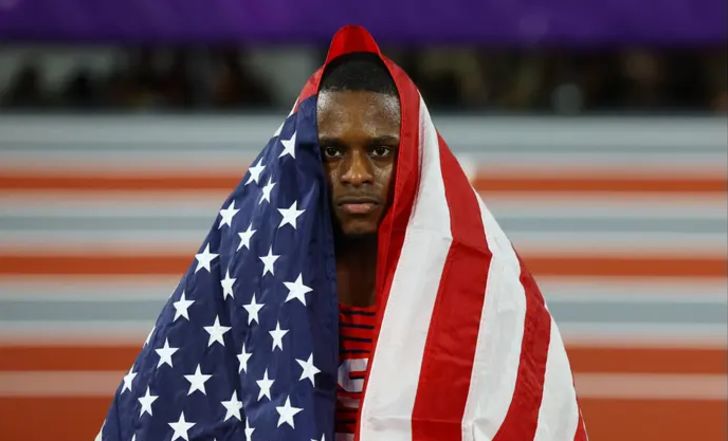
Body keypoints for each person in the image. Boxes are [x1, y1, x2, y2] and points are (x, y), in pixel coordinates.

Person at [97, 25, 587, 441]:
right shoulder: (248, 278)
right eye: (333, 151)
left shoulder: (487, 290)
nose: (356, 173)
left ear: (412, 155)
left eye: (380, 151)